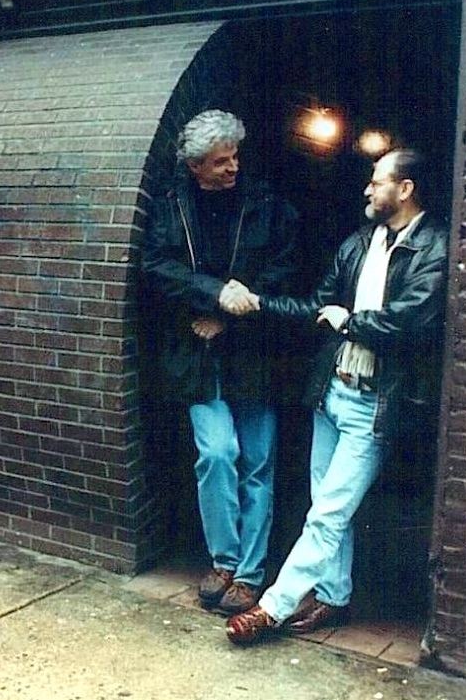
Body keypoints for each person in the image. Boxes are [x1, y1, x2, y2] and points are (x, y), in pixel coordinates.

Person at [222, 148, 448, 643]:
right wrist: (260, 303)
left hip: (376, 404)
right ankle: (334, 596)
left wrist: (351, 322)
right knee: (324, 505)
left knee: (329, 512)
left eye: (377, 181)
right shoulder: (359, 242)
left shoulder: (434, 247)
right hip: (332, 394)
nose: (368, 190)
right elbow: (316, 306)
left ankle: (272, 607)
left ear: (404, 189)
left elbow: (412, 321)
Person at [142, 109, 301, 615]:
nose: (233, 168)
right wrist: (215, 295)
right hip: (198, 355)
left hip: (254, 353)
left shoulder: (267, 204)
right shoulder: (171, 206)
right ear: (195, 167)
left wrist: (232, 317)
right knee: (216, 453)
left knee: (257, 462)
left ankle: (249, 576)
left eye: (235, 157)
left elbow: (289, 267)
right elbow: (155, 266)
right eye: (220, 161)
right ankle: (223, 561)